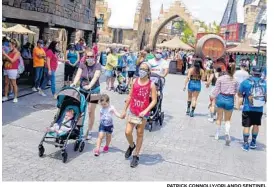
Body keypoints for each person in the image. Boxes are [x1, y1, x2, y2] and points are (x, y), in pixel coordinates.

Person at [121, 62, 157, 168]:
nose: (142, 71)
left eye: (145, 69)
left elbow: (154, 100)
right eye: (141, 68)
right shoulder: (135, 81)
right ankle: (132, 146)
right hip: (133, 110)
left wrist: (146, 110)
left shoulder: (151, 84)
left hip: (143, 113)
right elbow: (130, 96)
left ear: (149, 72)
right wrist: (124, 110)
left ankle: (136, 155)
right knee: (127, 132)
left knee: (140, 133)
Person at [71, 50, 101, 140]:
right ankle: (79, 129)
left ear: (94, 57)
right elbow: (78, 75)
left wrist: (90, 86)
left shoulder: (97, 65)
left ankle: (90, 131)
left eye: (91, 56)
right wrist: (74, 83)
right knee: (80, 110)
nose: (89, 58)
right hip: (82, 90)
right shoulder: (82, 64)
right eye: (87, 56)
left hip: (95, 91)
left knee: (90, 111)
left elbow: (96, 77)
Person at [238, 67, 266, 151]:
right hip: (259, 108)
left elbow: (239, 93)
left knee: (247, 126)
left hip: (248, 107)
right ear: (260, 73)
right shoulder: (265, 83)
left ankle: (246, 144)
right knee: (256, 125)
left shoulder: (246, 82)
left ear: (252, 72)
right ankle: (253, 142)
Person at [210, 63, 238, 145]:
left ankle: (217, 134)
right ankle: (226, 132)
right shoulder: (235, 80)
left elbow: (216, 90)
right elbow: (237, 91)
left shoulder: (220, 78)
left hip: (221, 98)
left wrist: (212, 97)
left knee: (219, 117)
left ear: (226, 69)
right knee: (227, 119)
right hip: (230, 99)